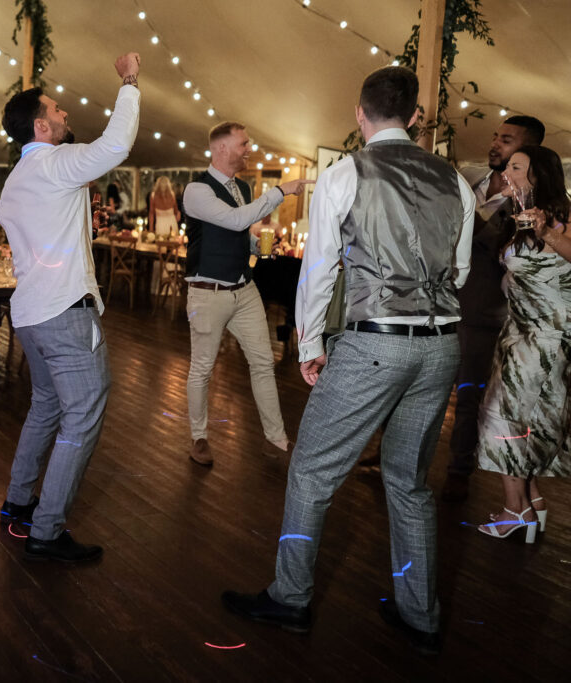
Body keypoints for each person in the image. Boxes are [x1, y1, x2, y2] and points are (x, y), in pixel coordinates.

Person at [221, 66, 475, 656]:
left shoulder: (346, 172)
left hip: (375, 344)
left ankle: (290, 599)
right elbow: (460, 272)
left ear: (360, 116)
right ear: (415, 117)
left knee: (311, 471)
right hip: (441, 346)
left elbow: (320, 269)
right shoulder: (455, 182)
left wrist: (309, 346)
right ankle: (421, 616)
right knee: (409, 484)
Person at [0, 52, 141, 563]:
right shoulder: (55, 164)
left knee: (46, 407)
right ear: (40, 125)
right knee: (82, 415)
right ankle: (47, 531)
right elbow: (117, 143)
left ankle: (17, 503)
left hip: (30, 314)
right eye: (57, 111)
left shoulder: (16, 181)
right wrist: (127, 81)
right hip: (64, 313)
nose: (65, 115)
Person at [182, 122, 311, 466]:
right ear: (221, 148)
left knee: (264, 362)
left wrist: (258, 244)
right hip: (208, 293)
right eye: (243, 144)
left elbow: (238, 232)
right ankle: (199, 437)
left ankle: (277, 438)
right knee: (202, 368)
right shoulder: (196, 190)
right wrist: (279, 192)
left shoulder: (242, 185)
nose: (249, 149)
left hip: (244, 288)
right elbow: (235, 220)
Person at [442, 115, 546, 502]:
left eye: (506, 140)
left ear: (527, 152)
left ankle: (458, 470)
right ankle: (391, 457)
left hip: (482, 312)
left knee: (468, 397)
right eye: (495, 137)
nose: (494, 144)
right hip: (439, 305)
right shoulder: (469, 180)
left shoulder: (530, 208)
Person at [475, 145, 571, 541]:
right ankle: (531, 501)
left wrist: (547, 230)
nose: (507, 172)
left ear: (539, 175)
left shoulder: (560, 217)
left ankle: (516, 511)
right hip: (518, 333)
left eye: (516, 167)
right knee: (521, 420)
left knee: (507, 421)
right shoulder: (515, 216)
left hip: (542, 341)